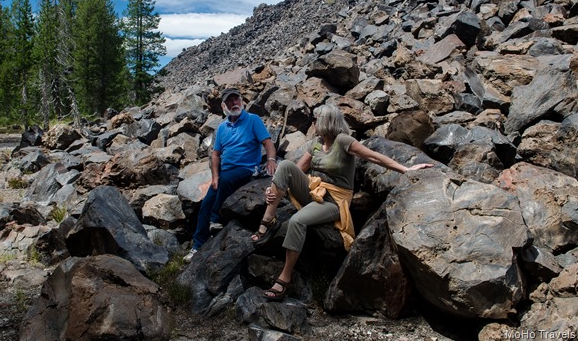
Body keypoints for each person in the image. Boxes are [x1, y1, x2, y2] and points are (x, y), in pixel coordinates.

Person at [252, 103, 432, 300]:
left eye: (316, 120)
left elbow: (376, 157)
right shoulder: (317, 143)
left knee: (297, 221)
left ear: (327, 121)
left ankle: (284, 279)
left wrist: (406, 169)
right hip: (315, 190)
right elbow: (295, 170)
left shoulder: (344, 141)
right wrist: (273, 190)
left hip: (334, 201)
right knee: (284, 165)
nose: (313, 123)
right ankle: (267, 222)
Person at [184, 87, 278, 262]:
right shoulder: (222, 128)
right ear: (223, 105)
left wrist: (271, 159)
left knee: (225, 181)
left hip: (247, 168)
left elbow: (267, 142)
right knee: (205, 204)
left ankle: (216, 219)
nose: (234, 103)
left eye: (236, 99)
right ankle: (197, 246)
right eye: (230, 101)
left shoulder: (253, 120)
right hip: (225, 172)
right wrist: (215, 177)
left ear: (241, 101)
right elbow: (215, 154)